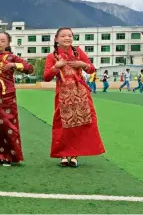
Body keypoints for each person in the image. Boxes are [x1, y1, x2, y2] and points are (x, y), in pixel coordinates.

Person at [43, 27, 105, 168]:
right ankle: (64, 155)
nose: (67, 38)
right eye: (63, 36)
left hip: (81, 94)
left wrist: (82, 64)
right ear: (56, 39)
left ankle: (75, 155)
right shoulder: (52, 57)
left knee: (81, 125)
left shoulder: (78, 52)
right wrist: (56, 67)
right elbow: (46, 77)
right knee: (62, 125)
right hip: (63, 96)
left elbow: (91, 68)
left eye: (70, 36)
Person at [0, 32, 33, 166]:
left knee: (9, 124)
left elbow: (30, 68)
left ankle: (11, 155)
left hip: (8, 96)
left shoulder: (12, 57)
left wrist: (14, 66)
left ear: (7, 44)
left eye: (2, 41)